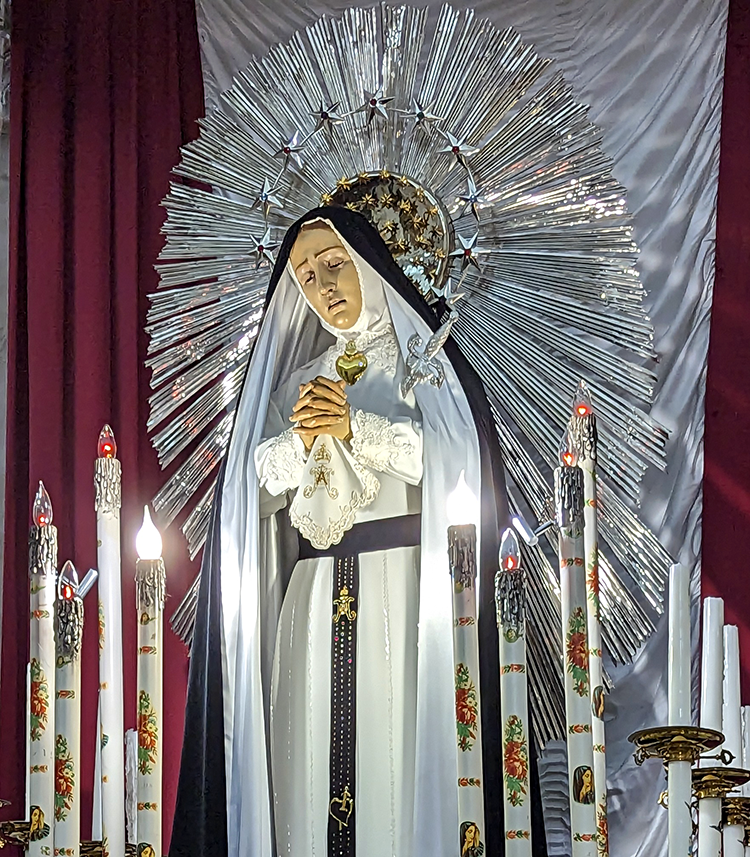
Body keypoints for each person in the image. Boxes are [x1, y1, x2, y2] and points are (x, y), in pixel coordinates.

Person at [170, 207, 547, 857]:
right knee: (310, 766)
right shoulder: (296, 381)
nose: (322, 286)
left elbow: (458, 463)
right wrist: (300, 441)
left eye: (334, 264)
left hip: (405, 592)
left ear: (371, 266)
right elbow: (246, 497)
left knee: (394, 761)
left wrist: (356, 429)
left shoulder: (425, 365)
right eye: (305, 276)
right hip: (313, 598)